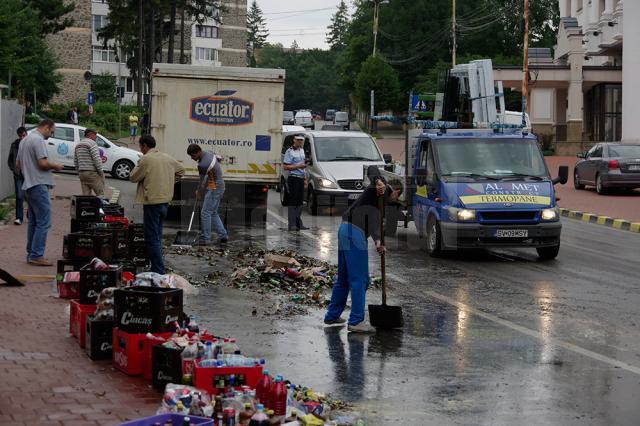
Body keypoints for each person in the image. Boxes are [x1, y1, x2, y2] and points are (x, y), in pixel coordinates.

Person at [323, 172, 403, 333]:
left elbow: (374, 225)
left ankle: (332, 316)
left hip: (345, 230)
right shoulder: (377, 189)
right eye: (397, 196)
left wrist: (378, 242)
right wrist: (379, 181)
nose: (396, 199)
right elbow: (372, 170)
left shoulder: (380, 203)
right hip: (354, 233)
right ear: (395, 190)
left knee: (344, 278)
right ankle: (356, 321)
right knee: (361, 279)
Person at [130, 135, 185, 274]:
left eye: (140, 146)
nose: (140, 149)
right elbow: (181, 170)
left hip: (152, 202)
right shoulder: (167, 157)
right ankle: (157, 266)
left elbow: (133, 177)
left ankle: (158, 270)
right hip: (165, 201)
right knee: (158, 236)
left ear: (144, 146)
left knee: (152, 238)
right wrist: (168, 181)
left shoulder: (146, 159)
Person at [15, 119, 64, 266]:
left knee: (34, 222)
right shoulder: (38, 140)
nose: (51, 135)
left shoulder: (24, 140)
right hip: (39, 184)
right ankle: (37, 255)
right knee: (44, 222)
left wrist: (28, 173)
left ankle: (31, 253)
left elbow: (18, 164)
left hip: (29, 184)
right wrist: (55, 165)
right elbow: (42, 163)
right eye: (52, 131)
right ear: (47, 127)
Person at [187, 144, 228, 245]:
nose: (192, 158)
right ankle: (223, 235)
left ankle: (205, 238)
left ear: (198, 152)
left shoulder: (202, 164)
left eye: (193, 156)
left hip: (215, 187)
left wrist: (199, 191)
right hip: (219, 185)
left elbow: (202, 181)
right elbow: (218, 159)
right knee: (212, 212)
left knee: (205, 213)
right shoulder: (208, 153)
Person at [283, 134, 309, 231]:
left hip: (301, 178)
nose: (300, 142)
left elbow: (304, 167)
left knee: (300, 202)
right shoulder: (289, 151)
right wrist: (298, 166)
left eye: (301, 140)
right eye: (298, 140)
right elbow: (285, 167)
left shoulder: (302, 151)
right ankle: (292, 224)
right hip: (293, 178)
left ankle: (298, 223)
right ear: (294, 140)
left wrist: (305, 179)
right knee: (293, 202)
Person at [74, 128, 106, 196]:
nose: (96, 137)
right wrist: (101, 173)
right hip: (91, 173)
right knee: (100, 194)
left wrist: (79, 172)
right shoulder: (92, 143)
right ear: (90, 135)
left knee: (86, 196)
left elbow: (76, 161)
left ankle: (86, 207)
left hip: (82, 174)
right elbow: (97, 160)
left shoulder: (78, 145)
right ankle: (101, 207)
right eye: (95, 135)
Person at [8, 127, 28, 225]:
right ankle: (19, 218)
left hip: (29, 175)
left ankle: (30, 214)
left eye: (24, 135)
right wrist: (14, 169)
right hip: (18, 175)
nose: (22, 138)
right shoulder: (14, 145)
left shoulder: (30, 144)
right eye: (20, 136)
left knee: (30, 196)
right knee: (19, 196)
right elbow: (10, 160)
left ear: (26, 134)